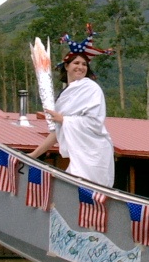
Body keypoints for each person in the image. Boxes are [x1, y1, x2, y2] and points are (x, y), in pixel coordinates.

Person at [28, 29, 115, 188]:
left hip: (94, 154)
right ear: (66, 66)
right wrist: (33, 155)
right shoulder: (64, 95)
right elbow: (57, 133)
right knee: (67, 189)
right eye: (76, 63)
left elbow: (95, 123)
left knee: (88, 194)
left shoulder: (91, 89)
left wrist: (65, 120)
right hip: (77, 157)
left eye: (84, 64)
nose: (81, 67)